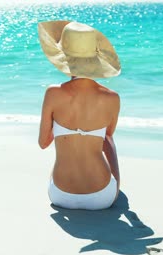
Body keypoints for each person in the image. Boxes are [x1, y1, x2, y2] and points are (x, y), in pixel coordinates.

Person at [37, 21, 121, 210]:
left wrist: (62, 129)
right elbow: (106, 137)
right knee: (108, 139)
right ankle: (117, 182)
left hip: (60, 195)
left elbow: (43, 143)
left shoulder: (53, 93)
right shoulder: (112, 98)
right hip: (102, 198)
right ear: (96, 60)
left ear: (64, 57)